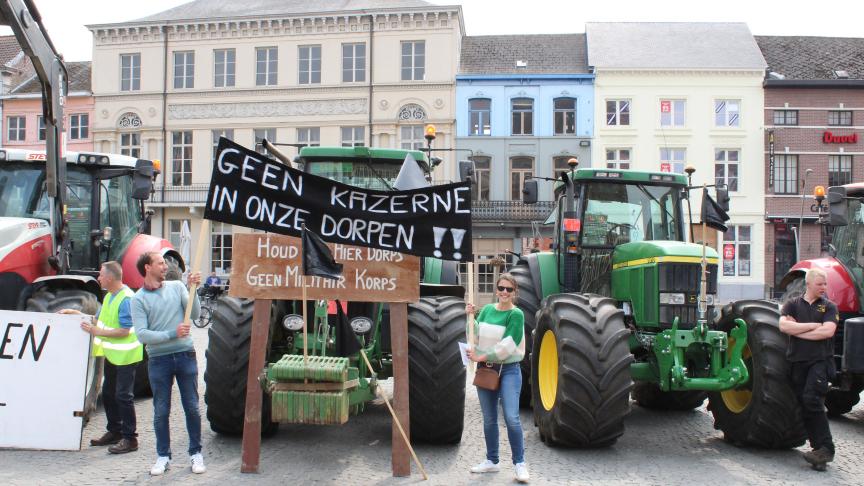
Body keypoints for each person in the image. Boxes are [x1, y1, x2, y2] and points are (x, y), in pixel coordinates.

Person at [131, 251, 204, 476]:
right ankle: (163, 456)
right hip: (159, 360)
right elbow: (142, 335)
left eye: (164, 263)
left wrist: (193, 290)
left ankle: (196, 453)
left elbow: (195, 313)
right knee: (161, 410)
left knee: (192, 407)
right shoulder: (138, 299)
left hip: (185, 355)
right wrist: (172, 334)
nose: (165, 266)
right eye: (160, 263)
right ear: (147, 268)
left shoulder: (177, 287)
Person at [61, 261, 142, 454]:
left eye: (101, 275)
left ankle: (130, 439)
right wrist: (76, 313)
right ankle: (114, 431)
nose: (98, 278)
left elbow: (125, 331)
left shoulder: (126, 299)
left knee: (123, 396)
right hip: (114, 355)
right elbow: (99, 320)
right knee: (107, 394)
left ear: (110, 278)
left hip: (126, 355)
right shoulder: (109, 297)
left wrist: (96, 331)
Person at [465, 273, 529, 483]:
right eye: (501, 288)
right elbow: (474, 335)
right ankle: (492, 461)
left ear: (514, 292)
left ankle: (519, 463)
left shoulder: (516, 314)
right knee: (489, 418)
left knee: (511, 417)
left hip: (509, 369)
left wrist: (482, 355)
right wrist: (471, 318)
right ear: (497, 289)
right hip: (486, 370)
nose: (504, 292)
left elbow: (509, 343)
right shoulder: (487, 311)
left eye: (509, 289)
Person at [779, 267, 839, 472]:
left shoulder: (829, 307)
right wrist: (813, 326)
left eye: (825, 284)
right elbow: (784, 327)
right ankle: (818, 452)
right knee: (803, 403)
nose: (824, 287)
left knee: (812, 398)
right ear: (809, 284)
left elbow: (827, 331)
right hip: (797, 362)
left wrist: (800, 330)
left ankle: (826, 447)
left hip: (819, 361)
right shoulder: (792, 304)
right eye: (820, 284)